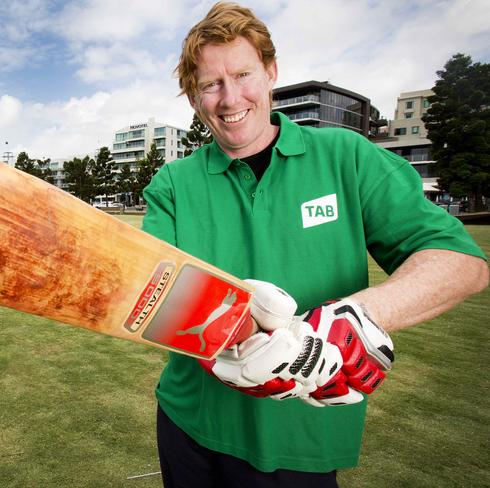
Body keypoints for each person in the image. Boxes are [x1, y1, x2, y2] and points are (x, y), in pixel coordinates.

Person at [141, 2, 489, 487]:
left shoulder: (345, 157)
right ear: (194, 98)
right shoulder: (173, 182)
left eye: (242, 75)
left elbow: (461, 262)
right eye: (209, 84)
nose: (229, 98)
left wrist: (354, 318)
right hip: (191, 422)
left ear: (270, 73)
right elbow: (149, 291)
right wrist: (237, 331)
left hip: (301, 438)